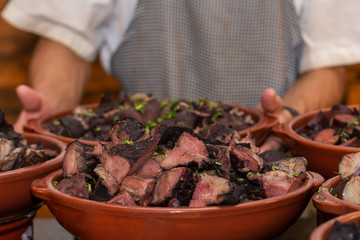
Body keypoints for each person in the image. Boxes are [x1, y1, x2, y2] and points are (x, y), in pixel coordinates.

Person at [2, 0, 359, 151]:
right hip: (135, 160)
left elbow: (326, 66)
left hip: (265, 155)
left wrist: (285, 122)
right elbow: (66, 39)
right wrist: (47, 114)